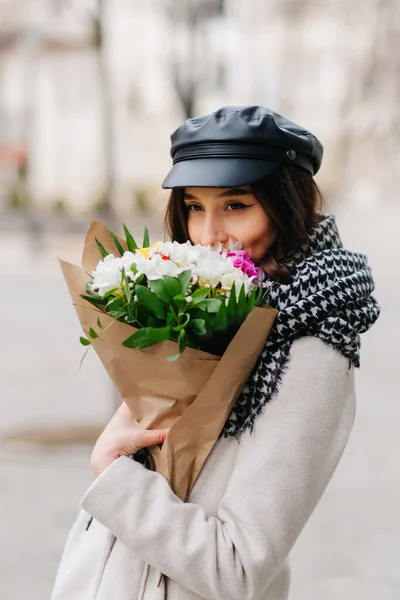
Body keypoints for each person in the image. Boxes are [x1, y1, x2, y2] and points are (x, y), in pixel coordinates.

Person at [51, 106, 380, 600]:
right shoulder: (200, 305)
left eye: (235, 205)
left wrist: (114, 472)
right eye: (194, 207)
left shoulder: (312, 346)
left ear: (285, 204)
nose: (207, 235)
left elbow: (238, 569)